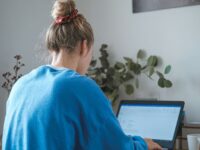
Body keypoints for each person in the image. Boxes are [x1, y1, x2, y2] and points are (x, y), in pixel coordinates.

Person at [2, 0, 162, 150]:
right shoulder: (79, 87)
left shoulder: (20, 85)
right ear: (84, 46)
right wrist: (143, 144)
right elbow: (116, 146)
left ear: (53, 46)